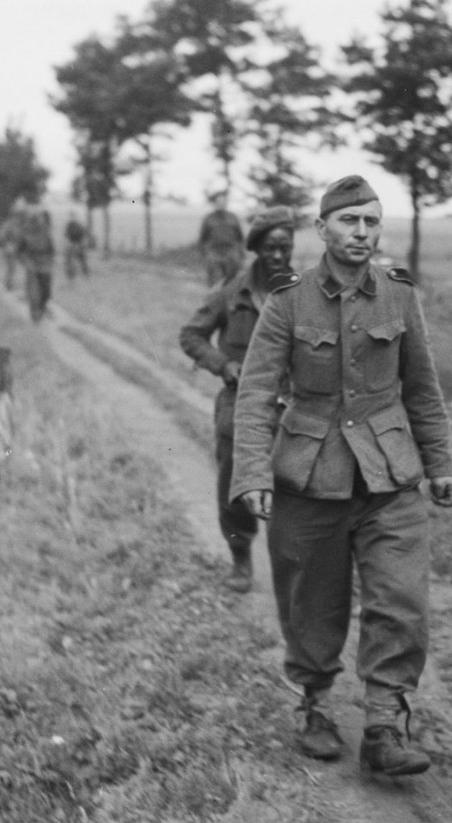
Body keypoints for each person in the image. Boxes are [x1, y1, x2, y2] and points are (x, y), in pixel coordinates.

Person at [230, 175, 452, 777]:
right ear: (322, 229)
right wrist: (251, 472)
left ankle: (384, 724)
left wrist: (439, 465)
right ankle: (316, 706)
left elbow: (424, 390)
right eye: (350, 222)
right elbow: (255, 394)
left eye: (371, 222)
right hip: (310, 478)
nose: (362, 233)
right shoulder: (287, 300)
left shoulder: (400, 297)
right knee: (312, 604)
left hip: (389, 478)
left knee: (401, 601)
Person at [179, 205, 297, 593]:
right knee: (235, 487)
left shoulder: (303, 294)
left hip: (293, 407)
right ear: (256, 249)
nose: (278, 256)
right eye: (270, 248)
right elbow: (191, 335)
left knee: (298, 491)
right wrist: (223, 365)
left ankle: (297, 567)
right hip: (239, 404)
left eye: (286, 247)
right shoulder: (232, 292)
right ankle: (241, 558)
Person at [197, 192, 244, 286]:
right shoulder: (209, 218)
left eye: (223, 201)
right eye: (219, 201)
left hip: (231, 252)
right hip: (214, 253)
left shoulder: (233, 217)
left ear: (226, 203)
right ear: (215, 203)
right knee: (215, 282)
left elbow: (240, 237)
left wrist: (239, 253)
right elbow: (203, 239)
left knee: (232, 282)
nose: (221, 204)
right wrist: (206, 254)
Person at [17, 207, 55, 321]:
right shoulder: (25, 233)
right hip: (31, 263)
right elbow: (20, 251)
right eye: (34, 219)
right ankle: (35, 313)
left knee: (46, 290)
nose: (37, 221)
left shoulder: (46, 232)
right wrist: (26, 262)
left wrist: (50, 260)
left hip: (44, 263)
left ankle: (42, 307)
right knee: (33, 291)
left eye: (38, 219)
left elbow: (51, 249)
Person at [64, 212, 89, 279]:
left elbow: (66, 234)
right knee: (78, 258)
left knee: (79, 258)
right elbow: (66, 234)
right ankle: (81, 272)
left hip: (76, 243)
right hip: (75, 243)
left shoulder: (72, 225)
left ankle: (82, 272)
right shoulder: (72, 225)